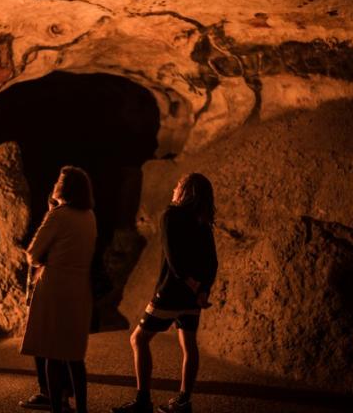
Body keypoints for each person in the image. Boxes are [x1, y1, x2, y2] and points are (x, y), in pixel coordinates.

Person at [112, 173, 218, 413]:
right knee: (189, 346)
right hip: (193, 298)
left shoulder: (171, 215)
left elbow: (175, 260)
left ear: (185, 192)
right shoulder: (203, 220)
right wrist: (203, 290)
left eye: (179, 185)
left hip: (170, 293)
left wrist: (191, 285)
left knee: (138, 339)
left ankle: (143, 401)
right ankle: (183, 401)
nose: (174, 188)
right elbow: (212, 262)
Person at [20, 166, 97, 413]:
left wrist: (44, 259)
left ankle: (55, 406)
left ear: (64, 188)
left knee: (52, 352)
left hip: (55, 288)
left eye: (58, 181)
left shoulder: (58, 215)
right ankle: (82, 408)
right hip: (79, 289)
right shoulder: (89, 216)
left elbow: (32, 254)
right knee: (74, 354)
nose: (55, 183)